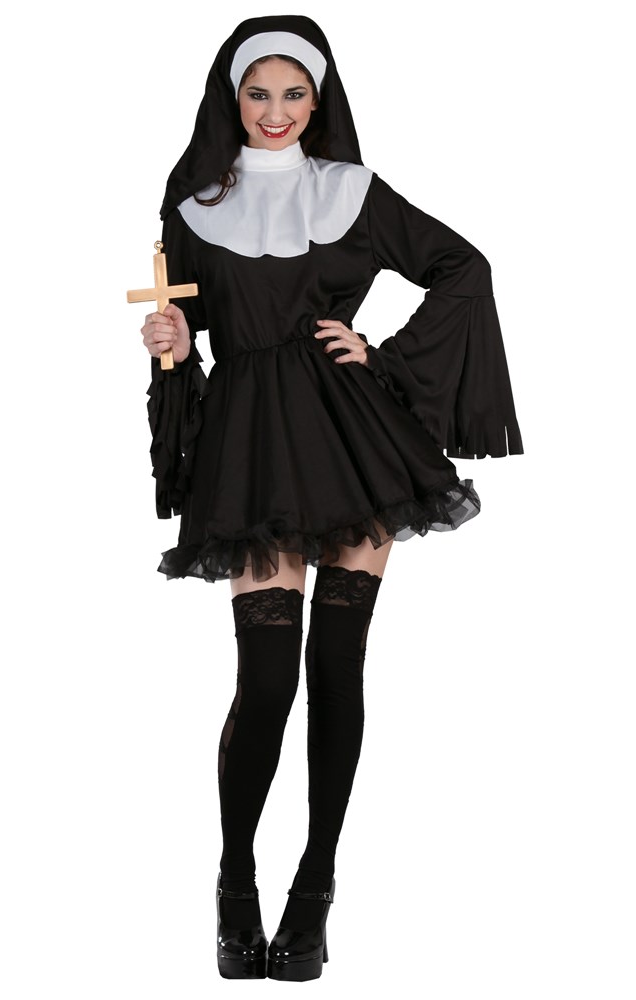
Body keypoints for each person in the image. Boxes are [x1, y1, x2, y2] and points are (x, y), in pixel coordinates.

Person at [139, 14, 523, 982]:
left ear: (319, 101)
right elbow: (181, 326)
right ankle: (234, 882)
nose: (275, 112)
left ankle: (313, 888)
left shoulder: (349, 190)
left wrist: (379, 355)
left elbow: (462, 268)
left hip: (353, 442)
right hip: (252, 450)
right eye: (258, 94)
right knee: (267, 679)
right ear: (232, 100)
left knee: (337, 669)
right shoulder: (194, 204)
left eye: (294, 94)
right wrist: (171, 347)